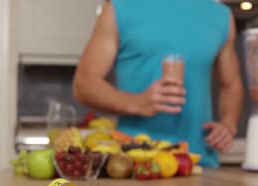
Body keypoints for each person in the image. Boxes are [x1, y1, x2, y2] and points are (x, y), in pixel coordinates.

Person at [73, 0, 244, 168]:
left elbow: (230, 85)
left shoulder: (221, 16)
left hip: (198, 163)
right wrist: (135, 103)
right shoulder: (120, 8)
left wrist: (228, 124)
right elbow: (84, 84)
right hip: (133, 163)